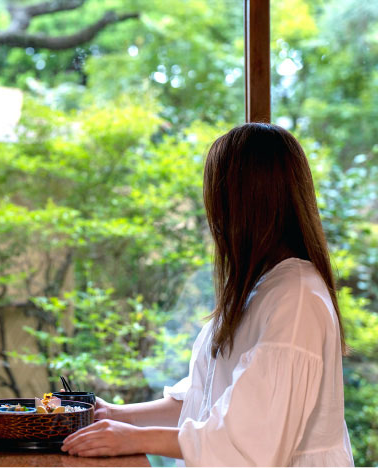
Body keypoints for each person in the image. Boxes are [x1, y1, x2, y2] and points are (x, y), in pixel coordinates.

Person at [61, 123, 355, 466]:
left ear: (243, 203)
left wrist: (133, 438)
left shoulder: (296, 299)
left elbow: (251, 440)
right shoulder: (262, 289)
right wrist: (113, 414)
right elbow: (203, 404)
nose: (212, 214)